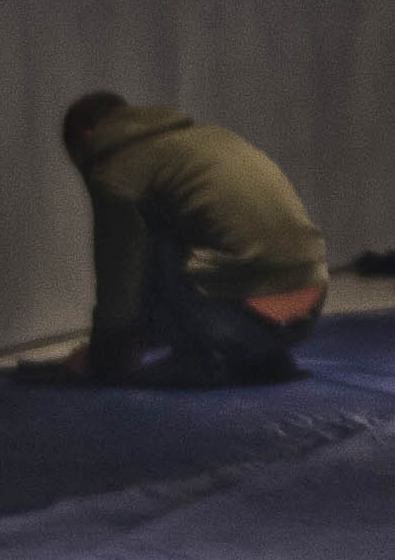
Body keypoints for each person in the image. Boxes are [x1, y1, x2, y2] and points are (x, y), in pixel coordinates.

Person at [45, 92, 328, 387]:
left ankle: (197, 357)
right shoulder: (206, 139)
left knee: (147, 241)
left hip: (234, 319)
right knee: (200, 233)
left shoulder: (115, 167)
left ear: (87, 138)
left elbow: (119, 279)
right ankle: (262, 354)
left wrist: (102, 357)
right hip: (308, 310)